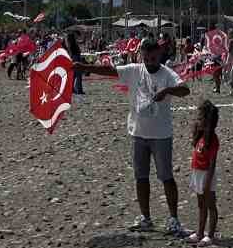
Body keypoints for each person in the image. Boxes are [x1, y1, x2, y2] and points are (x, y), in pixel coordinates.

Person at [72, 37, 190, 236]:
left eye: (153, 57)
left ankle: (173, 219)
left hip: (161, 135)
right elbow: (110, 71)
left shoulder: (167, 74)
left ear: (159, 55)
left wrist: (168, 90)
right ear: (141, 56)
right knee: (140, 177)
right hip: (138, 133)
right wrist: (83, 66)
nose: (150, 61)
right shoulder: (135, 70)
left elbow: (185, 90)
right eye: (146, 58)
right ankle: (146, 218)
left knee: (166, 177)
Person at [188, 99, 220, 246]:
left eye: (200, 118)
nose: (197, 120)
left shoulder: (212, 140)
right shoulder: (200, 137)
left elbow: (212, 163)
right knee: (201, 204)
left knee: (210, 204)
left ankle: (210, 235)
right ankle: (200, 232)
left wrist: (208, 181)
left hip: (207, 174)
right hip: (197, 172)